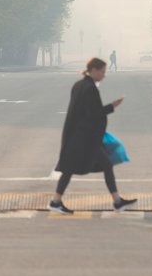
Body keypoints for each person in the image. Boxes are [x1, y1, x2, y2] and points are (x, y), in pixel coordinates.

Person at [49, 57, 136, 214]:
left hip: (79, 135)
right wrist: (112, 106)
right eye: (102, 71)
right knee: (71, 169)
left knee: (94, 166)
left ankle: (117, 201)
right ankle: (56, 202)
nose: (104, 75)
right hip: (84, 138)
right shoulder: (89, 88)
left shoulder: (79, 85)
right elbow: (94, 113)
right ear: (94, 70)